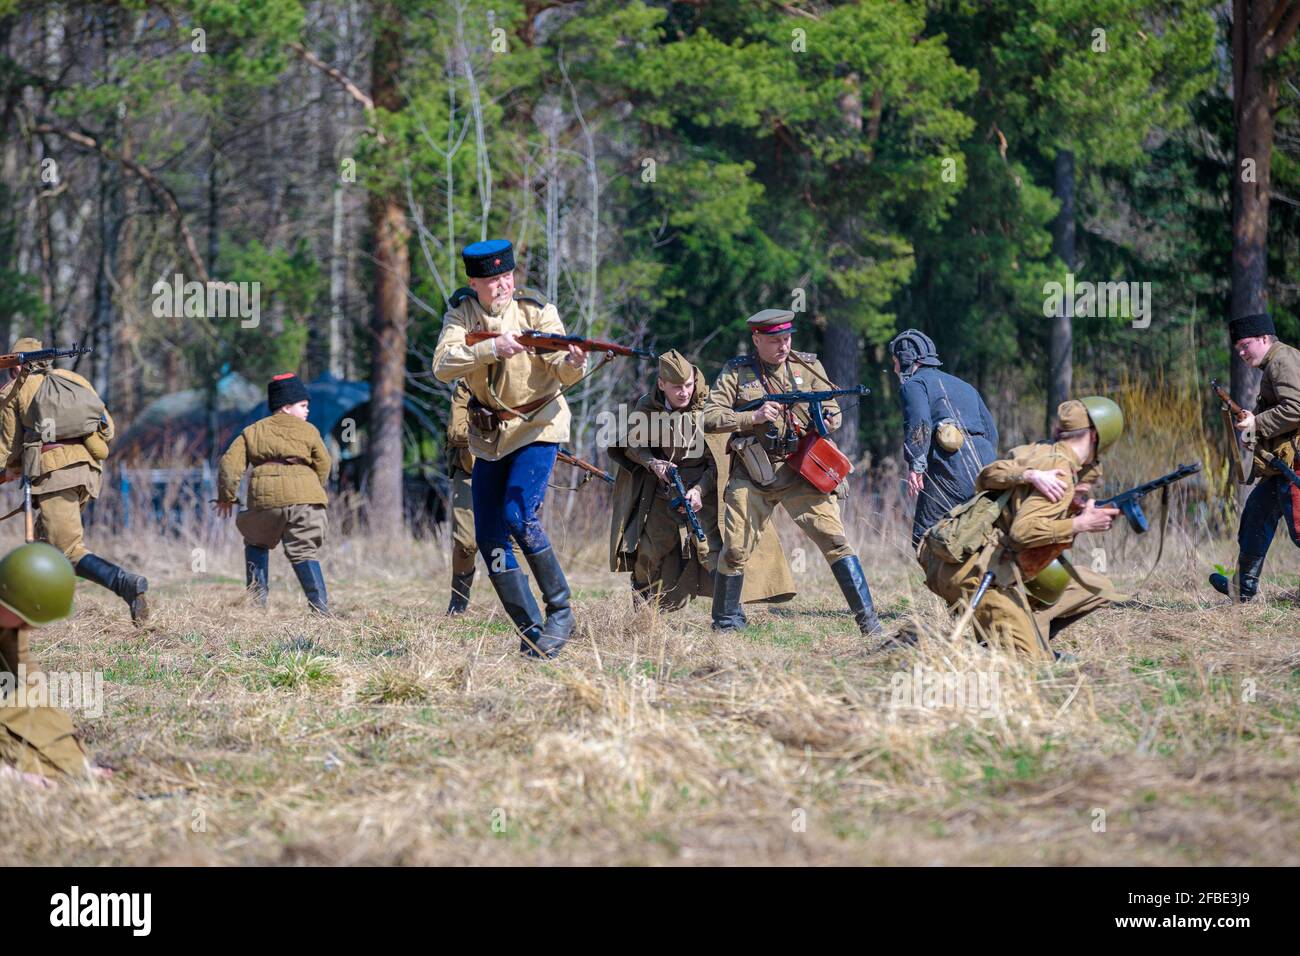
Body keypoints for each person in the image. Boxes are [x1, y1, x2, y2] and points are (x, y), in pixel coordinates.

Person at [432, 239, 587, 659]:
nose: (502, 286)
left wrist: (574, 362)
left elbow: (564, 370)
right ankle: (531, 630)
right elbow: (443, 365)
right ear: (474, 283)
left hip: (539, 424)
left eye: (506, 277)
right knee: (487, 537)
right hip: (490, 437)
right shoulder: (461, 312)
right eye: (492, 280)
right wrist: (492, 347)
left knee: (519, 514)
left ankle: (560, 611)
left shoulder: (537, 310)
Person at [703, 309, 881, 635]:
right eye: (774, 340)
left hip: (801, 470)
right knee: (736, 550)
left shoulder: (808, 366)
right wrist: (751, 418)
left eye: (787, 338)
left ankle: (869, 625)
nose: (783, 346)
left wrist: (828, 419)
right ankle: (725, 625)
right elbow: (710, 416)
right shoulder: (737, 372)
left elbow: (833, 411)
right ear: (756, 339)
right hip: (753, 472)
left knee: (835, 540)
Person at [918, 397, 1125, 660]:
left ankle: (1021, 632)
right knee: (1026, 662)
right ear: (1096, 436)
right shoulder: (1060, 475)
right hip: (975, 574)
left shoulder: (1036, 453)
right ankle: (927, 646)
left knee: (1095, 585)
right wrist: (1080, 523)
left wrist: (1034, 481)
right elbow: (1022, 532)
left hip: (953, 559)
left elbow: (986, 477)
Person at [608, 349, 795, 611]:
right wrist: (653, 463)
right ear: (661, 384)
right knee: (648, 554)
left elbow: (718, 462)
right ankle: (642, 616)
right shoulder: (646, 408)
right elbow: (633, 446)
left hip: (705, 494)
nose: (684, 392)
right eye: (676, 387)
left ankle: (729, 615)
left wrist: (698, 491)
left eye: (688, 385)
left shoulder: (708, 410)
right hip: (665, 493)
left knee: (711, 552)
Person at [0, 337, 147, 623]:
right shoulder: (74, 380)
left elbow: (7, 447)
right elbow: (108, 428)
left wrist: (7, 471)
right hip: (87, 472)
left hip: (54, 475)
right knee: (45, 543)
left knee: (66, 550)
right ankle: (40, 612)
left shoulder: (14, 391)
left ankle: (126, 584)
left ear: (17, 366)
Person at [215, 373, 332, 614]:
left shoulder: (252, 431)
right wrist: (312, 488)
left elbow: (229, 464)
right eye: (303, 406)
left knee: (256, 543)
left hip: (265, 501)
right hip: (306, 501)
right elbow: (324, 463)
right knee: (304, 550)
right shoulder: (309, 431)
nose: (307, 411)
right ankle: (320, 609)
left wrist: (227, 497)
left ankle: (257, 607)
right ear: (286, 407)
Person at [1209, 313, 1300, 601]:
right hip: (1281, 464)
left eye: (1245, 345)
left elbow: (1296, 407)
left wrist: (1257, 424)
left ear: (1264, 338)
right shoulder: (1275, 363)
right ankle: (1242, 590)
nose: (1242, 353)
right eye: (1238, 349)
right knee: (1255, 518)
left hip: (1295, 463)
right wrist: (1256, 427)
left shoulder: (1282, 360)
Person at [0, 542, 100, 787]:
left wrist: (72, 758)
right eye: (25, 619)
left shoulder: (10, 617)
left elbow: (25, 677)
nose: (29, 628)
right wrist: (9, 776)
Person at [888, 329, 999, 546]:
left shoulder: (914, 385)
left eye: (895, 362)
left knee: (925, 537)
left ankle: (945, 580)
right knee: (975, 534)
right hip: (985, 465)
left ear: (906, 359)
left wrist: (916, 465)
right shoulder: (965, 386)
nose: (894, 368)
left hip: (951, 467)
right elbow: (991, 432)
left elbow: (919, 422)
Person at [446, 380, 480, 615]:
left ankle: (521, 608)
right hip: (470, 471)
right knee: (466, 544)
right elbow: (456, 431)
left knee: (514, 538)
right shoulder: (467, 385)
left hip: (508, 468)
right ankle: (458, 602)